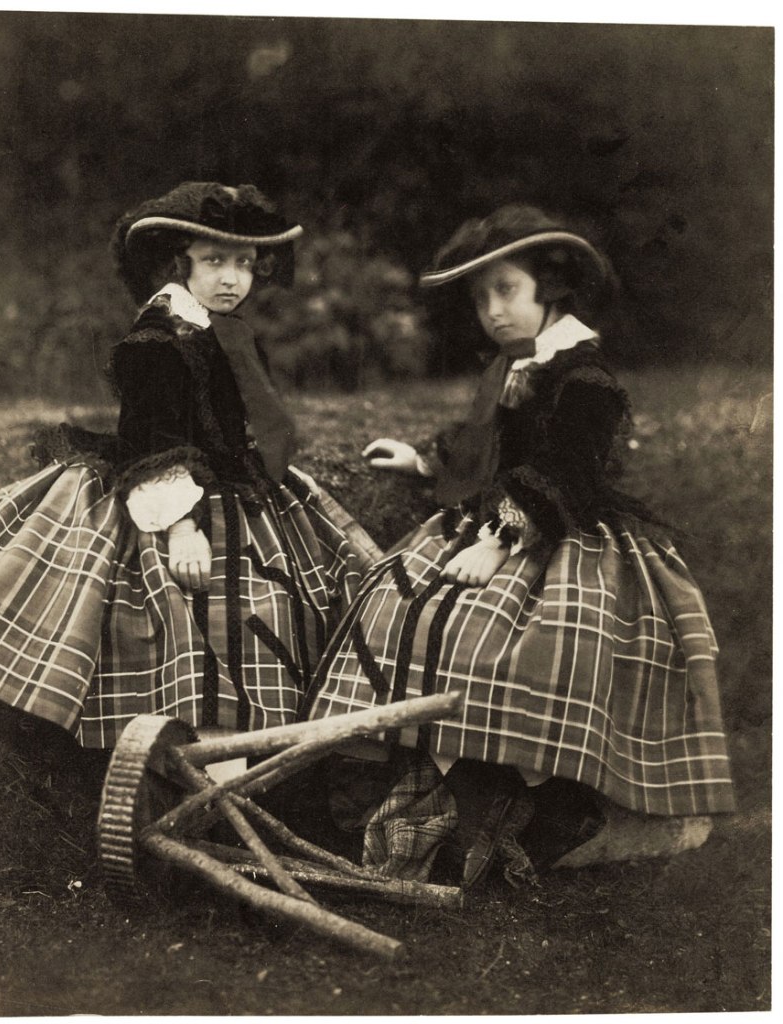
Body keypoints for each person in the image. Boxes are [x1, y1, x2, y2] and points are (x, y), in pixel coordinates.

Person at [302, 204, 735, 888]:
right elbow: (488, 446)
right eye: (480, 298)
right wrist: (423, 462)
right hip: (497, 522)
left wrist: (501, 539)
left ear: (550, 288)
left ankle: (517, 804)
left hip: (562, 540)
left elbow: (565, 473)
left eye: (505, 290)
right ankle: (411, 784)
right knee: (394, 601)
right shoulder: (515, 369)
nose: (492, 311)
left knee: (504, 638)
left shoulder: (584, 380)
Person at [0, 181, 372, 751]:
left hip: (229, 478)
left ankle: (275, 746)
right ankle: (203, 748)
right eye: (214, 261)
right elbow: (153, 441)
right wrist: (182, 525)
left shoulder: (228, 332)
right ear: (179, 263)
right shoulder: (156, 341)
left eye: (244, 264)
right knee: (208, 610)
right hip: (168, 487)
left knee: (298, 590)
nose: (231, 278)